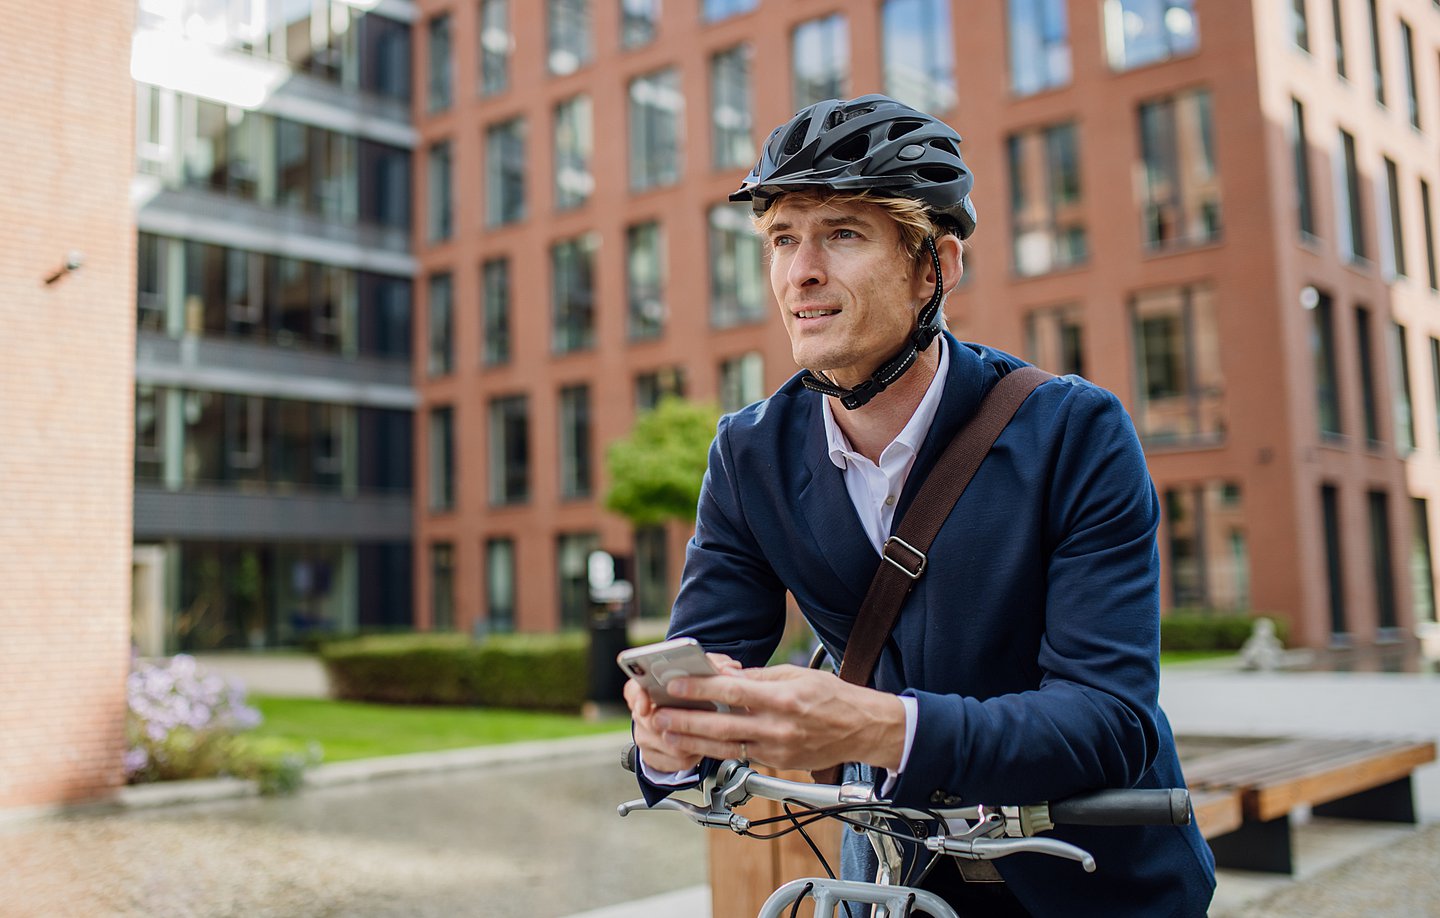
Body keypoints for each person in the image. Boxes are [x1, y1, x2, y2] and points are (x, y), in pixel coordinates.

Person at [625, 94, 1216, 916]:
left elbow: (1110, 719)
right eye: (783, 238)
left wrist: (878, 727)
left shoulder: (1075, 432)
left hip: (1090, 881)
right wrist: (668, 739)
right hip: (891, 884)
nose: (801, 272)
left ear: (934, 266)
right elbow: (708, 660)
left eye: (842, 233)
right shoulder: (748, 455)